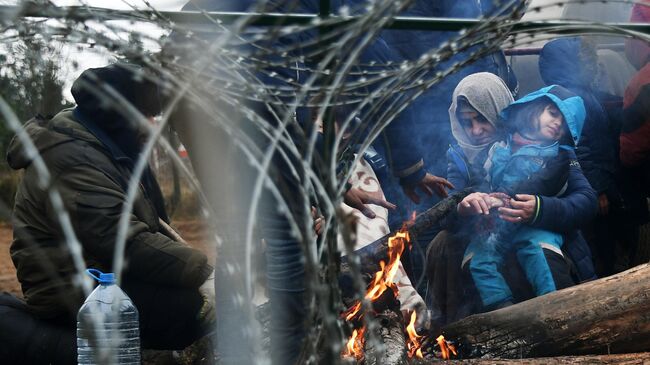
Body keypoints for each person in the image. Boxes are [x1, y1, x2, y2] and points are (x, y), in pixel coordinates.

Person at [5, 63, 213, 363]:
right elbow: (122, 239)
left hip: (105, 276)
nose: (152, 127)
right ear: (119, 115)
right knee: (193, 309)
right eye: (146, 116)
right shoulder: (70, 158)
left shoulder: (102, 149)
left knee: (195, 300)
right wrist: (204, 274)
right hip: (74, 291)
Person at [426, 73, 597, 327]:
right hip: (490, 240)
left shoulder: (553, 150)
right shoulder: (466, 156)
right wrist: (465, 208)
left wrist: (539, 208)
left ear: (497, 109)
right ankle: (466, 327)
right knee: (445, 246)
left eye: (482, 119)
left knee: (539, 257)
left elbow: (586, 201)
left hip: (538, 243)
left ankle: (559, 323)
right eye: (467, 123)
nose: (475, 131)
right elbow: (447, 211)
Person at [464, 85, 586, 310]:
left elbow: (545, 183)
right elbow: (475, 184)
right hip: (498, 224)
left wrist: (505, 199)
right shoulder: (497, 149)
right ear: (533, 109)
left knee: (538, 250)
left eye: (564, 123)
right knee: (477, 259)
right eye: (552, 112)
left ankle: (558, 310)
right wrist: (472, 203)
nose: (557, 122)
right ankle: (502, 311)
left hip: (535, 223)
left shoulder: (559, 155)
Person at [538, 37, 639, 276]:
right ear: (570, 64)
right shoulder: (572, 99)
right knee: (599, 242)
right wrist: (598, 190)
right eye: (582, 59)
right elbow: (579, 146)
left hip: (597, 179)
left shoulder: (580, 93)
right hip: (593, 186)